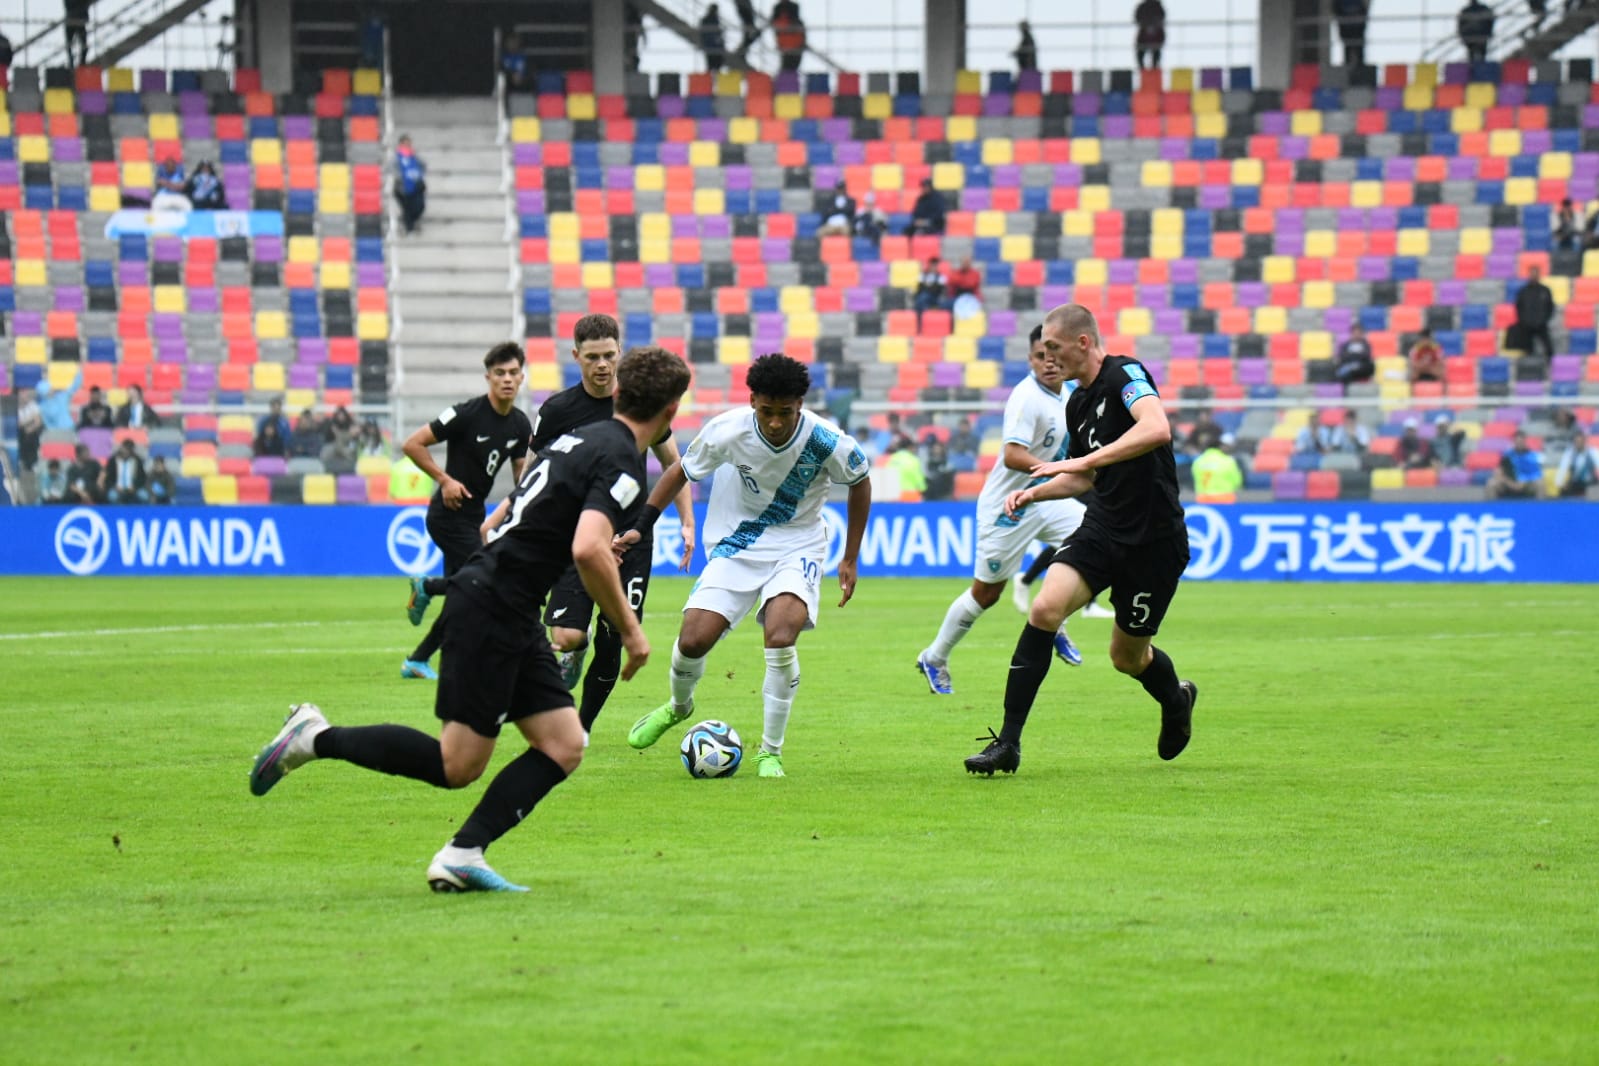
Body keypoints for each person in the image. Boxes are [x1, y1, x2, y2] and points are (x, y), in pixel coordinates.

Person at [248, 347, 692, 894]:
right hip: (493, 605)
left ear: (620, 392)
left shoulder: (579, 440)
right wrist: (631, 629)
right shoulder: (621, 456)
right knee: (456, 764)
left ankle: (463, 852)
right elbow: (587, 548)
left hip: (507, 602)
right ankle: (313, 737)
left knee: (564, 743)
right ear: (672, 412)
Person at [965, 303, 1195, 776]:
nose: (1048, 358)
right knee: (1045, 609)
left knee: (1126, 657)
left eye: (1054, 347)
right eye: (1043, 350)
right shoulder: (1076, 402)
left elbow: (1156, 429)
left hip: (1154, 541)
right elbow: (1086, 478)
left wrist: (1073, 465)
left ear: (1083, 343)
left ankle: (1176, 699)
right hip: (1103, 528)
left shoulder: (1125, 374)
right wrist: (1035, 492)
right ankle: (1007, 744)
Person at [621, 354, 872, 778]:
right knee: (693, 639)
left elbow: (860, 481)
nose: (775, 422)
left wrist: (850, 556)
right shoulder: (727, 430)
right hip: (738, 541)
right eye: (767, 411)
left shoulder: (828, 441)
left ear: (801, 405)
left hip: (799, 545)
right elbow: (680, 471)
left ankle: (769, 752)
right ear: (752, 400)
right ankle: (679, 706)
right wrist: (642, 525)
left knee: (780, 634)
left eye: (786, 413)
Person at [524, 313, 696, 737]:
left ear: (620, 353)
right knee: (566, 636)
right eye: (593, 357)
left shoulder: (637, 404)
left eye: (609, 356)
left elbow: (673, 464)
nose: (602, 365)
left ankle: (580, 729)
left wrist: (687, 521)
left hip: (633, 535)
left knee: (614, 636)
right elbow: (534, 472)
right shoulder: (558, 410)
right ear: (576, 356)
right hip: (578, 536)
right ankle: (573, 653)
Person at [918, 325, 1087, 697]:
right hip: (1008, 507)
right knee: (986, 594)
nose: (1048, 363)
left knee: (1096, 544)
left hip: (1046, 498)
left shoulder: (1070, 393)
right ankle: (935, 657)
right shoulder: (1027, 398)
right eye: (1039, 356)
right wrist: (1056, 470)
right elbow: (1012, 455)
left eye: (1053, 355)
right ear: (1030, 359)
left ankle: (1053, 617)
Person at [401, 343, 534, 680]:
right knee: (484, 579)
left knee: (462, 595)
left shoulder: (520, 425)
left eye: (513, 373)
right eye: (500, 373)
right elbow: (412, 444)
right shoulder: (466, 413)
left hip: (475, 517)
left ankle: (418, 660)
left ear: (522, 377)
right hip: (447, 514)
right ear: (488, 377)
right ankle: (427, 587)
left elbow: (522, 475)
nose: (507, 379)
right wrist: (444, 480)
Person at [1514, 265, 1555, 361]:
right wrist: (1523, 321)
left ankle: (1551, 368)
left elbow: (1550, 307)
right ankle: (1529, 370)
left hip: (1541, 325)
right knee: (1528, 351)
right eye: (1532, 274)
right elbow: (1519, 307)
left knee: (1549, 349)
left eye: (1535, 274)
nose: (1534, 276)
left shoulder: (1545, 290)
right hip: (1527, 326)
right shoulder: (1523, 291)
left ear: (1539, 275)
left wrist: (1545, 319)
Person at [1488, 430, 1543, 498]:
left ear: (1524, 441)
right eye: (1516, 441)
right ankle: (1492, 508)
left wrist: (1523, 482)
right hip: (1509, 484)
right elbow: (1498, 473)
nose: (1518, 443)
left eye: (1521, 441)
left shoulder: (1532, 455)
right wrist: (1510, 483)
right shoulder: (1507, 456)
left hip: (1526, 484)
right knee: (1491, 483)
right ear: (1513, 442)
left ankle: (1539, 507)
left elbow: (1537, 474)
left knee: (1540, 483)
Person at [1191, 430, 1244, 501]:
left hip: (1203, 499)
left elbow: (1195, 479)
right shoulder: (1228, 461)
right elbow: (1237, 482)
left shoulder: (1198, 461)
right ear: (1219, 446)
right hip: (1225, 499)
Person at [393, 135, 427, 236]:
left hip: (416, 186)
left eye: (409, 144)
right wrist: (400, 178)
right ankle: (409, 228)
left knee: (420, 206)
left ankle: (412, 224)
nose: (408, 146)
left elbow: (423, 165)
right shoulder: (396, 158)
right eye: (405, 144)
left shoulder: (414, 156)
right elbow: (392, 170)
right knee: (407, 208)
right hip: (402, 187)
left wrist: (418, 174)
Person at [101, 439, 148, 503]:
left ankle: (140, 512)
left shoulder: (137, 461)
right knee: (112, 496)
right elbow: (108, 478)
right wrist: (114, 486)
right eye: (125, 449)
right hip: (116, 488)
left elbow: (142, 477)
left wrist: (135, 487)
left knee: (144, 496)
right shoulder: (113, 461)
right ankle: (116, 512)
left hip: (133, 488)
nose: (126, 451)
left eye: (129, 449)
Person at [1554, 429, 1598, 496]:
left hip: (1590, 483)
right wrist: (1559, 483)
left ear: (1584, 441)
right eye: (1576, 442)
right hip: (1575, 483)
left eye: (1580, 441)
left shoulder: (1593, 452)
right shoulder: (1569, 453)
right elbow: (1563, 468)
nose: (1578, 444)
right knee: (1563, 492)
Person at [771, 0, 806, 72]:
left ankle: (785, 80)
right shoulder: (794, 10)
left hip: (789, 45)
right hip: (794, 45)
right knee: (790, 69)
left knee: (787, 70)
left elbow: (775, 26)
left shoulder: (779, 15)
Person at [1335, 0, 1369, 67]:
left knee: (1358, 49)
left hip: (1357, 28)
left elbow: (1363, 10)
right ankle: (1348, 65)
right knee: (1348, 48)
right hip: (1346, 27)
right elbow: (1336, 9)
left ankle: (1360, 66)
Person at [913, 257, 947, 323]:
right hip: (924, 297)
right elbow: (920, 288)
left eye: (935, 265)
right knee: (922, 298)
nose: (934, 267)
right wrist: (930, 286)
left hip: (935, 297)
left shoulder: (941, 277)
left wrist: (928, 286)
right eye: (932, 265)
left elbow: (939, 289)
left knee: (924, 297)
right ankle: (923, 319)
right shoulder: (923, 275)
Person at [1135, 0, 1166, 70]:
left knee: (1156, 52)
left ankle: (1153, 70)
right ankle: (1143, 70)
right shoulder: (1143, 6)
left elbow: (1162, 18)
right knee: (1140, 53)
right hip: (1143, 37)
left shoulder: (1158, 7)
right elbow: (1137, 18)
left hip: (1156, 37)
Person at [700, 4, 726, 71]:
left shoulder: (707, 20)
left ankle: (709, 80)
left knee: (712, 67)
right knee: (715, 67)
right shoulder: (711, 20)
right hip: (713, 47)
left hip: (712, 47)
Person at [64, 0, 90, 67]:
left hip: (76, 20)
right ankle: (75, 62)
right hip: (73, 20)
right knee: (70, 44)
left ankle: (81, 63)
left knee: (83, 45)